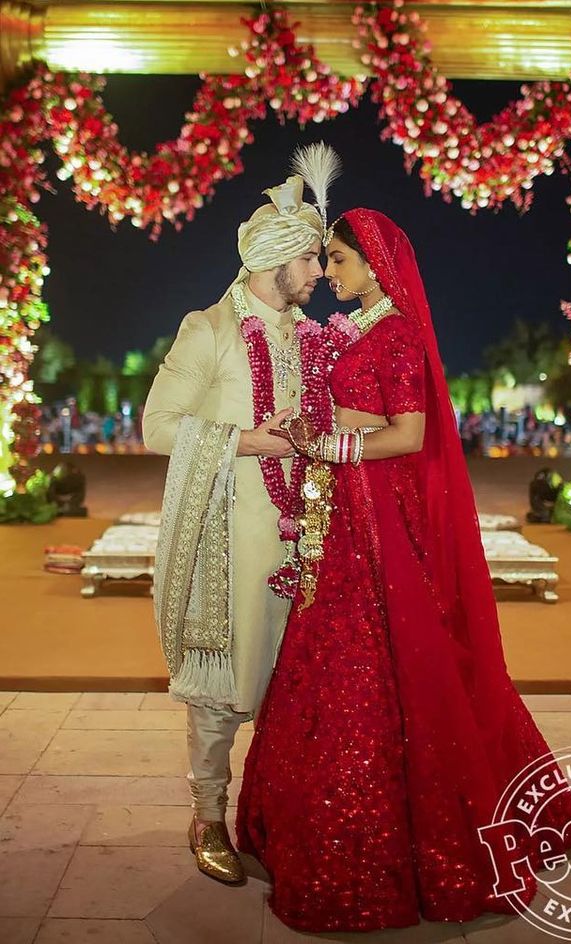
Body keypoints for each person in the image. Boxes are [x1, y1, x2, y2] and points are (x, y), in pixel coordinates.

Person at [236, 209, 571, 932]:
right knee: (337, 657)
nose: (328, 273)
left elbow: (410, 433)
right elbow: (349, 411)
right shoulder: (358, 327)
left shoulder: (396, 333)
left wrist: (331, 447)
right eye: (326, 261)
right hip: (346, 509)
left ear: (374, 262)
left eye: (337, 260)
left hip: (375, 514)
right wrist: (316, 431)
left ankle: (411, 845)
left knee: (388, 658)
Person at [142, 169, 329, 886]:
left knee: (298, 683)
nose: (319, 269)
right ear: (274, 258)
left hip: (305, 534)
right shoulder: (209, 329)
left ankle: (275, 812)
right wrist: (250, 441)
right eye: (310, 257)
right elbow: (157, 427)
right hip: (226, 539)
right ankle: (208, 814)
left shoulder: (314, 340)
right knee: (221, 687)